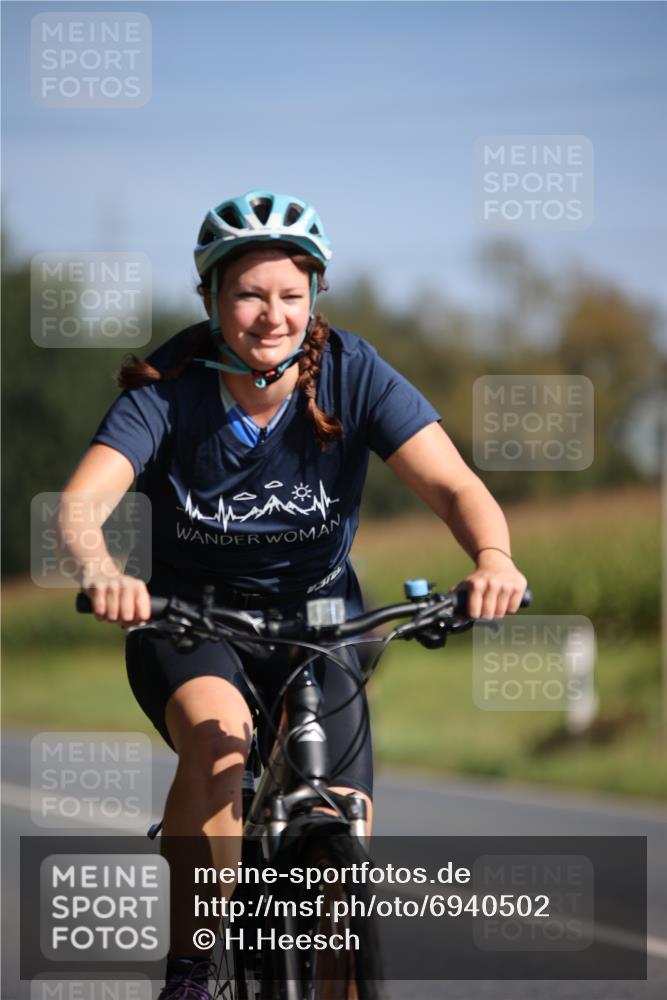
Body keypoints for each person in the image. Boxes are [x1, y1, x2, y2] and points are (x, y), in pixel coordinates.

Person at [59, 189, 527, 998]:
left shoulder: (351, 371)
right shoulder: (165, 387)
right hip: (192, 619)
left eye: (290, 295)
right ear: (210, 298)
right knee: (218, 742)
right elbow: (80, 505)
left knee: (343, 829)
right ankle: (189, 973)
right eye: (248, 294)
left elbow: (453, 485)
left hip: (322, 617)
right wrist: (101, 570)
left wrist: (493, 557)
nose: (271, 315)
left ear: (314, 299)